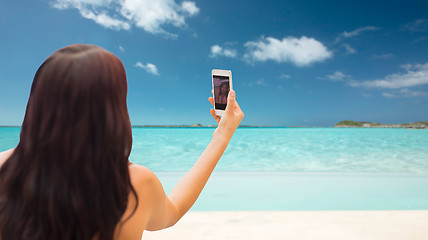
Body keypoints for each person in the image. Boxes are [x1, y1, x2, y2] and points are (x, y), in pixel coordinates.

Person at [0, 44, 244, 240]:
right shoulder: (133, 184)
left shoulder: (4, 167)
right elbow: (173, 212)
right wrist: (222, 135)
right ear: (113, 109)